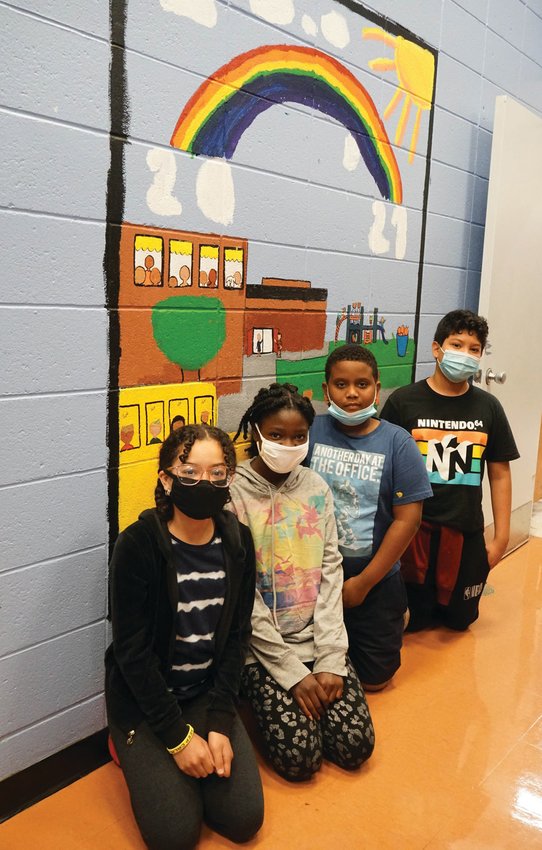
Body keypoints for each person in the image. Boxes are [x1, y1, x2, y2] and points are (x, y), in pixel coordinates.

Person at [105, 425, 264, 850]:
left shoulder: (238, 541)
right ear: (165, 478)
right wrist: (177, 739)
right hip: (145, 699)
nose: (203, 484)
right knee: (175, 836)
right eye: (189, 472)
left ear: (230, 479)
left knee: (244, 819)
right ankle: (124, 743)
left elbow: (237, 637)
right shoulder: (136, 546)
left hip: (204, 692)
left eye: (217, 474)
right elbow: (131, 654)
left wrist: (218, 723)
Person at [229, 383, 375, 782]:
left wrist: (329, 658)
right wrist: (292, 673)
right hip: (261, 651)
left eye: (298, 437)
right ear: (255, 431)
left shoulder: (316, 488)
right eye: (276, 435)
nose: (288, 444)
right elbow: (242, 598)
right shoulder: (231, 493)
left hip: (318, 638)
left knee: (354, 746)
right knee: (300, 758)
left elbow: (331, 572)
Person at [380, 309, 519, 632]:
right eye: (457, 345)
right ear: (436, 349)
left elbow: (500, 473)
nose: (466, 355)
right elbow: (384, 468)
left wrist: (500, 538)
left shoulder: (488, 407)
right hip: (414, 529)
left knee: (460, 621)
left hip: (465, 529)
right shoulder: (404, 402)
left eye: (474, 349)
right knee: (414, 621)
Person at [306, 344, 433, 691]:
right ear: (325, 389)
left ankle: (397, 613)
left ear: (377, 388)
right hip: (316, 578)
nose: (351, 394)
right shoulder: (310, 432)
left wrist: (363, 584)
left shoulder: (398, 443)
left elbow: (408, 520)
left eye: (362, 385)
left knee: (376, 680)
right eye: (340, 384)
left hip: (374, 579)